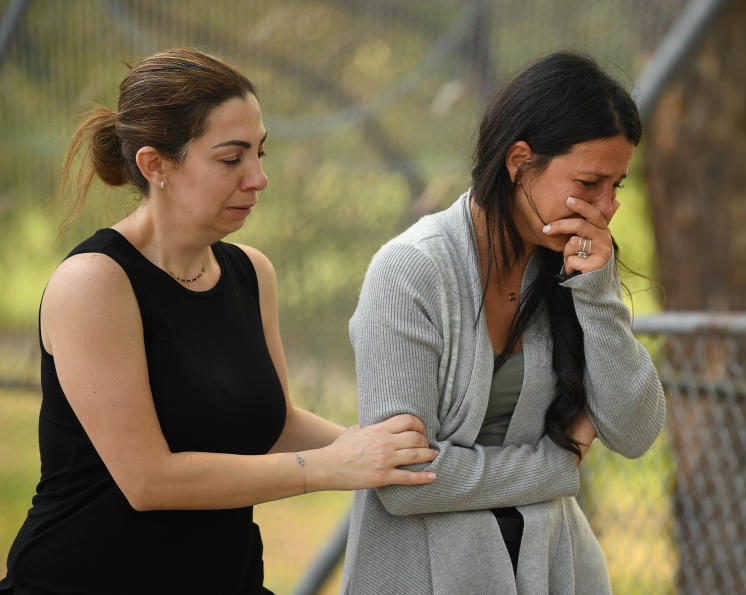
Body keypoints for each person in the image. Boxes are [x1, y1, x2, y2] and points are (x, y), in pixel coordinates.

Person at [0, 48, 437, 595]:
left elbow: (275, 425)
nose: (259, 178)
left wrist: (383, 451)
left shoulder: (252, 272)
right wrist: (328, 468)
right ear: (155, 165)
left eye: (260, 152)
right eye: (232, 159)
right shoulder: (94, 283)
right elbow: (148, 479)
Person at [341, 51, 666, 593]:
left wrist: (599, 292)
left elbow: (633, 433)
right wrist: (557, 466)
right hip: (426, 576)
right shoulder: (412, 272)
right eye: (589, 183)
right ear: (520, 161)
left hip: (548, 571)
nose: (606, 208)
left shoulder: (572, 268)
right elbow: (402, 482)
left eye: (618, 186)